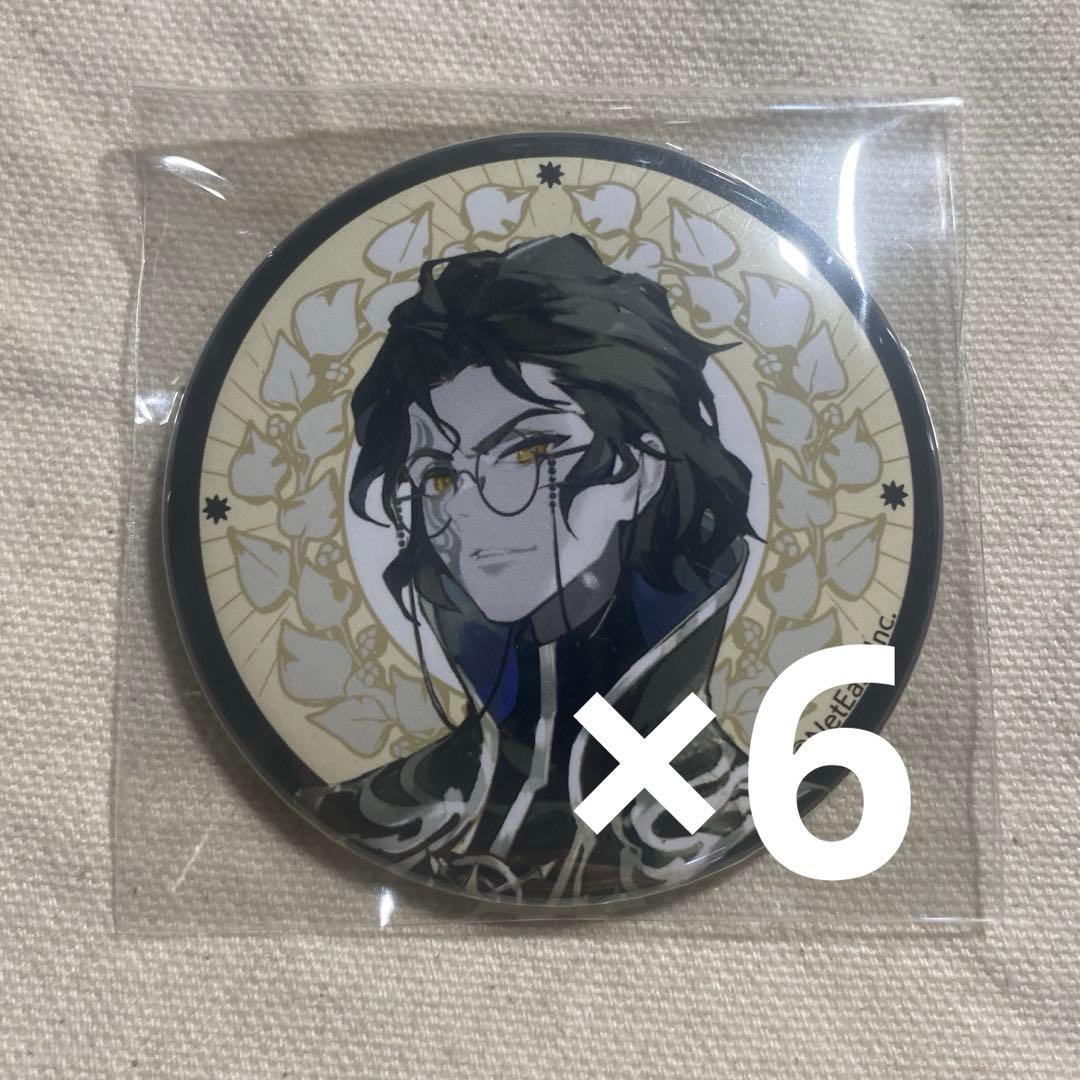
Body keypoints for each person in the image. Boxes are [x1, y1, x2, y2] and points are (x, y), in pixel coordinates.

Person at [301, 234, 758, 903]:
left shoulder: (741, 813)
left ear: (637, 470)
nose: (467, 509)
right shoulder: (372, 814)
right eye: (437, 474)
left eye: (526, 453)